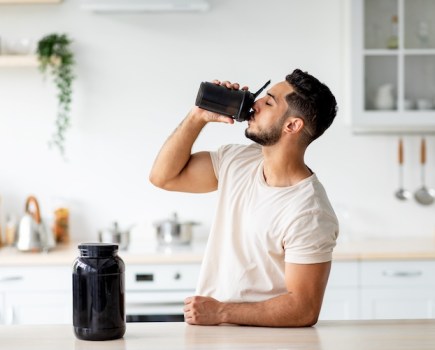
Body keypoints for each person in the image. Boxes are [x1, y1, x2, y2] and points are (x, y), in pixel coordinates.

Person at [149, 69, 339, 327]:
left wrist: (221, 312)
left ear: (292, 125)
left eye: (269, 102)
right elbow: (163, 177)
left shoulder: (310, 212)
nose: (256, 103)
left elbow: (303, 309)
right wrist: (198, 116)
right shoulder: (237, 161)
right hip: (214, 335)